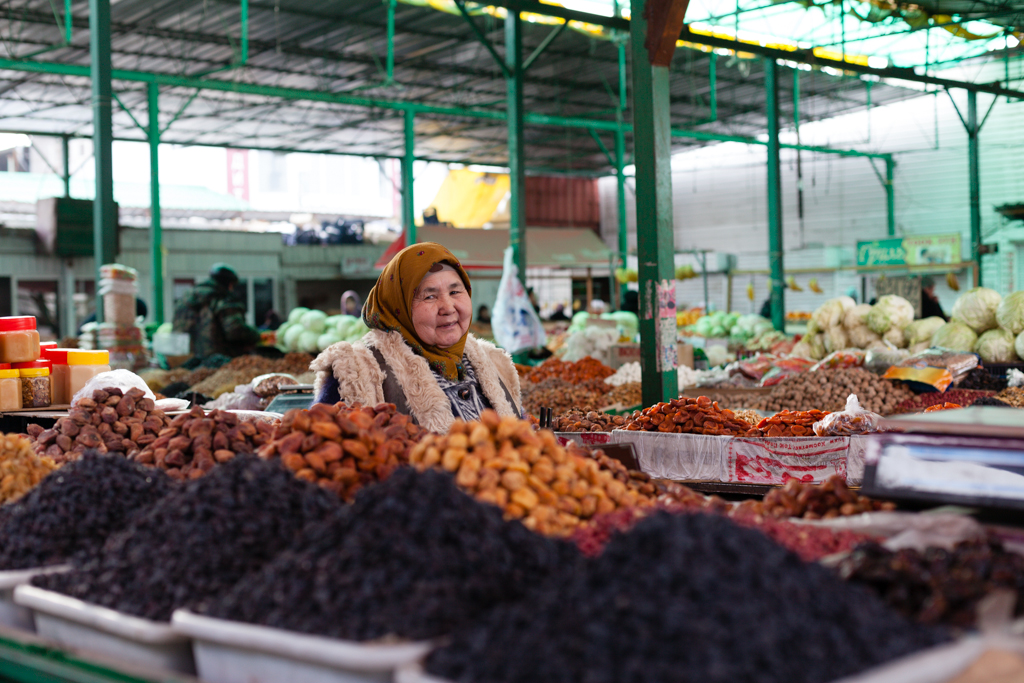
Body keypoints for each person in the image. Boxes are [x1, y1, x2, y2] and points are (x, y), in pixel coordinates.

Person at [311, 242, 522, 432]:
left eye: (455, 292)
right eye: (429, 296)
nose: (448, 308)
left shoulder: (493, 363)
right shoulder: (357, 372)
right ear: (399, 306)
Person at [172, 264, 260, 359]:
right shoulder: (223, 299)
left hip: (184, 359)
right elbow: (235, 330)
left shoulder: (184, 300)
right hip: (217, 360)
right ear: (229, 284)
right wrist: (255, 334)